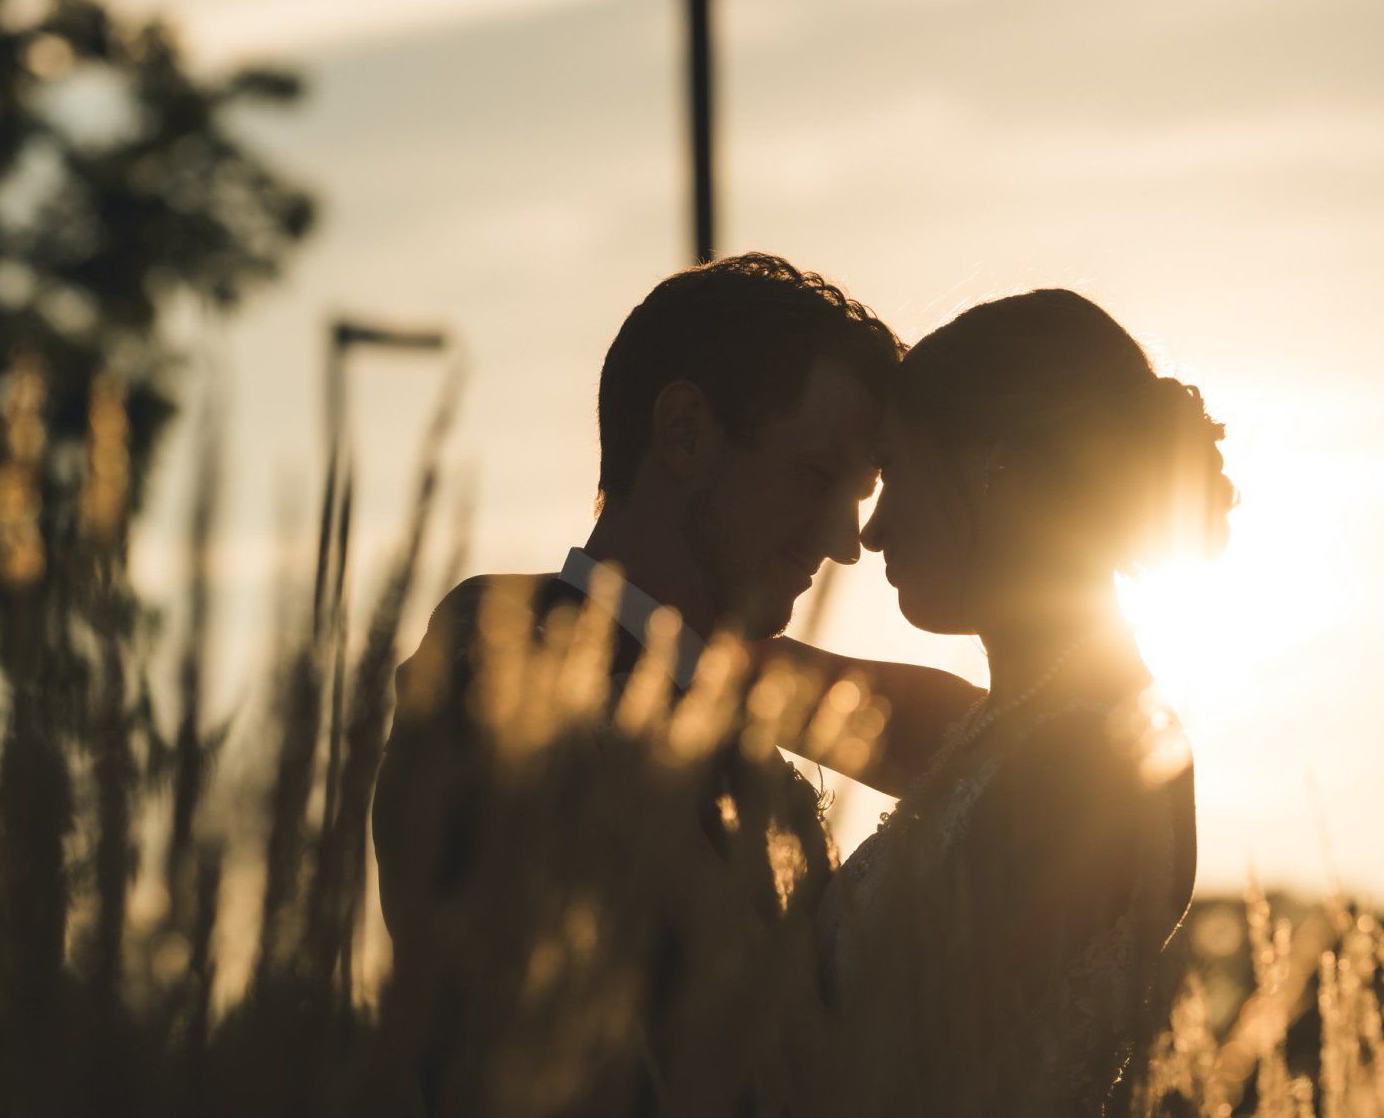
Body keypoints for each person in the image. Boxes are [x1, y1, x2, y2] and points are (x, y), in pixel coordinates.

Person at [371, 253, 973, 1114]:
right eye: (817, 478)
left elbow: (1001, 744)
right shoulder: (501, 643)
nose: (846, 542)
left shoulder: (711, 688)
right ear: (686, 430)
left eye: (864, 492)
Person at [806, 289, 1228, 1117]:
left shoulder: (1085, 758)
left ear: (997, 467)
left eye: (895, 473)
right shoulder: (1003, 724)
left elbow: (897, 1071)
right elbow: (731, 674)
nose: (872, 531)